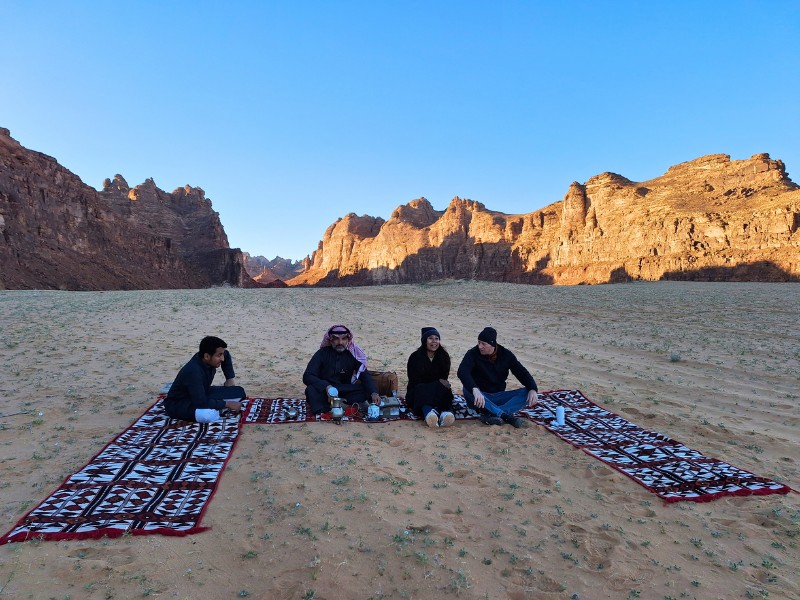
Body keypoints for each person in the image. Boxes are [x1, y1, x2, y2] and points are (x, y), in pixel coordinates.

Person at [457, 327, 539, 428]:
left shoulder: (506, 355)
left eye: (483, 344)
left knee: (528, 392)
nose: (480, 346)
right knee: (467, 389)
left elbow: (521, 372)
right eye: (479, 342)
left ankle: (490, 414)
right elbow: (462, 372)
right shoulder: (472, 353)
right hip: (479, 398)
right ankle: (506, 416)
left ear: (492, 344)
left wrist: (533, 388)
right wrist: (475, 389)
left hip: (498, 396)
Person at [164, 336, 245, 423]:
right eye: (219, 355)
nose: (222, 359)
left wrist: (229, 378)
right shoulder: (193, 371)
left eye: (222, 354)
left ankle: (215, 406)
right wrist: (227, 404)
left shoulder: (208, 357)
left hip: (203, 393)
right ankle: (217, 408)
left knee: (239, 392)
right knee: (208, 415)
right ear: (206, 356)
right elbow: (200, 401)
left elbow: (226, 354)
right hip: (181, 403)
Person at [303, 324, 381, 415]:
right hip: (325, 391)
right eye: (336, 339)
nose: (340, 342)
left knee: (367, 389)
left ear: (348, 340)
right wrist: (327, 386)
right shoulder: (322, 354)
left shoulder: (352, 355)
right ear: (330, 340)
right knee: (311, 390)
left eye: (344, 339)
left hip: (344, 391)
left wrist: (374, 393)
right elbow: (307, 376)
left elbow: (365, 376)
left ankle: (336, 406)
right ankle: (341, 407)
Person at [406, 327, 455, 428]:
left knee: (445, 388)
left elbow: (443, 378)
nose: (434, 342)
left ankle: (446, 414)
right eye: (430, 338)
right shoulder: (415, 357)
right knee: (422, 390)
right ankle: (429, 414)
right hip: (418, 389)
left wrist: (437, 384)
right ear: (424, 340)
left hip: (437, 389)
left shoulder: (444, 356)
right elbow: (415, 380)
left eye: (436, 338)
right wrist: (436, 383)